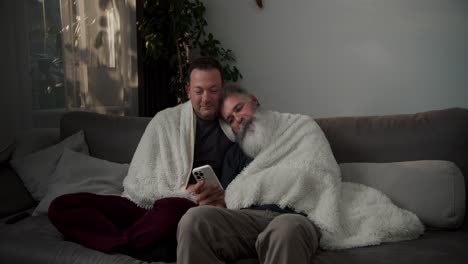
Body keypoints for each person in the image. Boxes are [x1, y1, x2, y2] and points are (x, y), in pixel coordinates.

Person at [48, 57, 234, 262]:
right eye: (199, 91)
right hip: (145, 205)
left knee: (173, 210)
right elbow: (141, 180)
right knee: (62, 205)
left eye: (213, 90)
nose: (206, 98)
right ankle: (133, 244)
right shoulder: (166, 120)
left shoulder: (236, 128)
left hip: (187, 209)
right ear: (188, 90)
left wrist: (207, 198)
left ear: (223, 89)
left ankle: (125, 241)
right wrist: (184, 190)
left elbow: (245, 181)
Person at [176, 84, 323, 264]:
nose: (238, 118)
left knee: (285, 229)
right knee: (194, 219)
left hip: (295, 217)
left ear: (253, 100)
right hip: (247, 221)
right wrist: (215, 203)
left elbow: (317, 173)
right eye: (230, 119)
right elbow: (230, 202)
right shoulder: (234, 154)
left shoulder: (299, 127)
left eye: (239, 108)